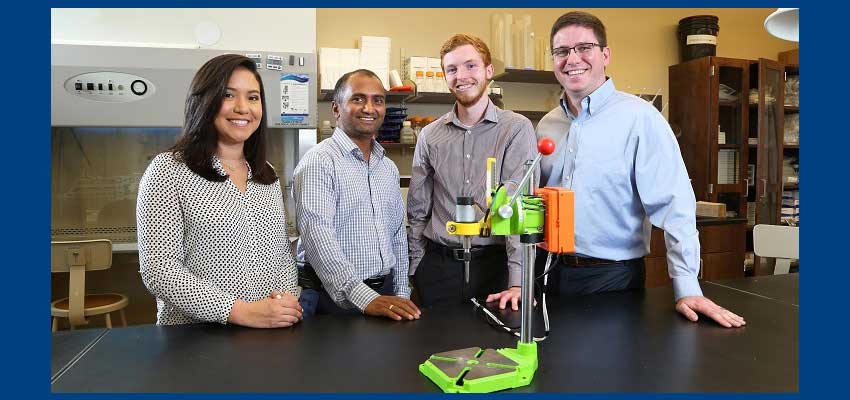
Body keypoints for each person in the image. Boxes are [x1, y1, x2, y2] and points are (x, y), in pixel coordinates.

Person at [503, 11, 744, 328]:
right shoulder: (547, 125)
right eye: (561, 51)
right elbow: (535, 199)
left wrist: (687, 287)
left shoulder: (640, 118)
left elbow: (674, 206)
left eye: (583, 47)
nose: (572, 58)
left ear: (605, 54)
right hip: (549, 271)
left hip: (611, 277)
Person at [137, 54, 303, 328]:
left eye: (253, 97)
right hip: (194, 339)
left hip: (266, 337)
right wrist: (238, 312)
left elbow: (281, 254)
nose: (243, 108)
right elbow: (159, 270)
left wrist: (285, 300)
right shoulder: (168, 170)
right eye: (228, 95)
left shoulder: (266, 174)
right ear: (205, 101)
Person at [407, 34, 538, 308]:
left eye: (470, 66)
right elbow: (418, 210)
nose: (461, 76)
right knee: (432, 348)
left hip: (494, 269)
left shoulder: (516, 129)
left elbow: (517, 210)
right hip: (437, 269)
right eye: (451, 69)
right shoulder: (430, 136)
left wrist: (517, 281)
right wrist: (416, 268)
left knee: (494, 349)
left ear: (489, 71)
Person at [293, 69, 420, 321]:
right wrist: (365, 297)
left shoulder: (387, 167)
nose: (369, 107)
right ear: (336, 109)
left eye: (378, 100)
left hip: (383, 295)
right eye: (358, 99)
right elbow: (318, 238)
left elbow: (396, 235)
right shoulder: (319, 162)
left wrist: (402, 292)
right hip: (330, 300)